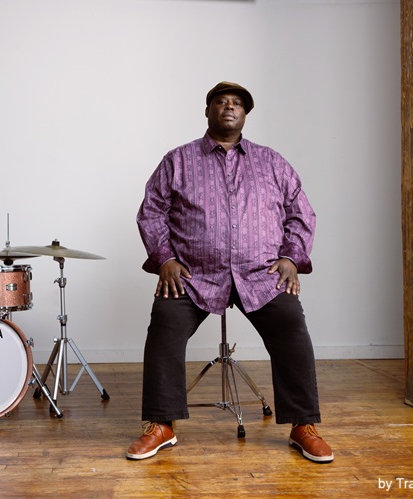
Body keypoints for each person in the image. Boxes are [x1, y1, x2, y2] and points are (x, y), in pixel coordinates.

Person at [127, 81, 333, 464]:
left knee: (291, 323)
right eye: (221, 101)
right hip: (194, 274)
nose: (229, 107)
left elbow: (301, 212)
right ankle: (161, 425)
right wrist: (165, 258)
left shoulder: (272, 162)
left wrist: (291, 258)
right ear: (207, 111)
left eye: (237, 103)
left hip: (261, 274)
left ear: (245, 114)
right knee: (165, 323)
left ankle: (303, 425)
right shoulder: (178, 160)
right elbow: (151, 211)